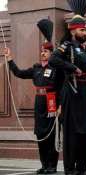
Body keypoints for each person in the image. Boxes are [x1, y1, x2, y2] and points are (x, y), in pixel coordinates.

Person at [4, 19, 62, 174]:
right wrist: (10, 59)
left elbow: (61, 88)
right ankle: (44, 165)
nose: (43, 53)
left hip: (51, 102)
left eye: (46, 51)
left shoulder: (56, 68)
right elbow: (19, 73)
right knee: (40, 134)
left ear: (51, 54)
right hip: (39, 103)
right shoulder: (36, 69)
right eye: (42, 51)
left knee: (51, 135)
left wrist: (60, 105)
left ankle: (52, 166)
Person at [49, 12, 86, 174]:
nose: (85, 33)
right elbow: (53, 60)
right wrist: (72, 68)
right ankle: (70, 169)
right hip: (72, 92)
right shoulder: (67, 46)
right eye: (81, 30)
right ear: (73, 31)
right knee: (72, 133)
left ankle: (83, 167)